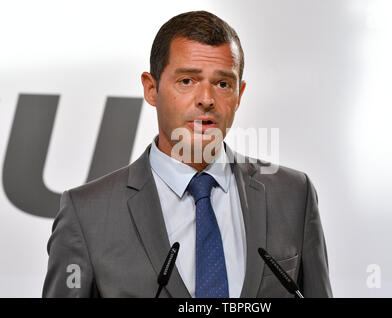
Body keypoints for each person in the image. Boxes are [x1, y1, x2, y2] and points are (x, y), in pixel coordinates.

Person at [42, 10, 332, 298]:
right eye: (187, 81)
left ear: (239, 95)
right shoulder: (86, 214)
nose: (206, 99)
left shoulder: (294, 195)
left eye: (222, 84)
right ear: (151, 89)